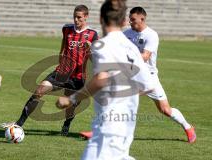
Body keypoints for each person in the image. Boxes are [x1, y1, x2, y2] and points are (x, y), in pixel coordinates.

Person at [56, 0, 154, 159]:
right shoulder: (132, 48)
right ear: (123, 21)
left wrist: (71, 99)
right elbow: (149, 86)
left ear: (101, 18)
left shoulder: (103, 45)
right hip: (127, 125)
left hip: (108, 127)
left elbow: (101, 79)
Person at [0, 5, 98, 136]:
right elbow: (63, 46)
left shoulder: (92, 34)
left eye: (79, 17)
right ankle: (19, 123)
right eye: (74, 16)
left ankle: (66, 125)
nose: (76, 19)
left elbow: (96, 58)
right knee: (38, 91)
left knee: (70, 105)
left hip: (78, 77)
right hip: (61, 72)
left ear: (86, 17)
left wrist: (90, 49)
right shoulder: (67, 29)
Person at [123, 6, 196, 143]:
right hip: (131, 75)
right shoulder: (127, 33)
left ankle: (188, 127)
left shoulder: (151, 35)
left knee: (165, 110)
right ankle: (102, 132)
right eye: (129, 19)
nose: (130, 22)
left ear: (142, 19)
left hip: (148, 77)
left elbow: (144, 56)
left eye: (133, 20)